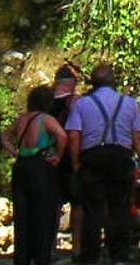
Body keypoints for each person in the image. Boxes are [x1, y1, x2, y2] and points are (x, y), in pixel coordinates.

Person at [66, 63, 140, 264]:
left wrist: (75, 162)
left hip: (92, 157)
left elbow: (74, 135)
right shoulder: (129, 103)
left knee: (92, 209)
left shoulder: (82, 104)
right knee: (120, 209)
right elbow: (138, 136)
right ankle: (119, 256)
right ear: (113, 83)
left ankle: (90, 256)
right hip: (120, 155)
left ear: (93, 84)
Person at [3, 84, 68, 265]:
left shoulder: (21, 119)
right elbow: (62, 136)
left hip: (22, 165)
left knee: (22, 216)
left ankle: (22, 258)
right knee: (43, 214)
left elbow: (5, 136)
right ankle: (41, 257)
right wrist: (58, 157)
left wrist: (15, 153)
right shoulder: (45, 119)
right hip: (40, 166)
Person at [50, 65, 84, 260]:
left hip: (51, 159)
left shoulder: (45, 102)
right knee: (77, 203)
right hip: (72, 160)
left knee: (53, 205)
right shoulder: (75, 101)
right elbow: (75, 132)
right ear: (70, 84)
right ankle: (77, 247)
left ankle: (50, 245)